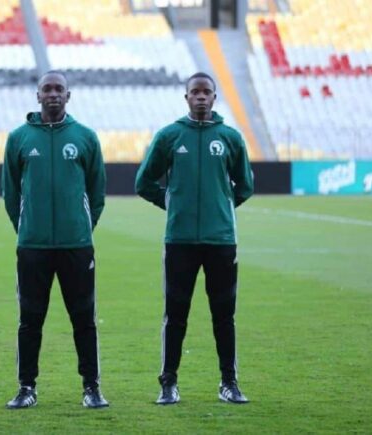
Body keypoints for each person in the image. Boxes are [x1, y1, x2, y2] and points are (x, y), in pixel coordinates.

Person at [135, 72, 254, 405]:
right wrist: (173, 205)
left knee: (224, 315)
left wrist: (221, 207)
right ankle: (168, 383)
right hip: (180, 241)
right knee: (175, 314)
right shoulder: (170, 136)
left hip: (221, 240)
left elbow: (244, 185)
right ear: (186, 97)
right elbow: (144, 183)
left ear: (214, 98)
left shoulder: (230, 138)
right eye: (195, 92)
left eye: (207, 92)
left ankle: (229, 383)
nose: (201, 97)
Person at [1, 70, 109, 409]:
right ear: (37, 95)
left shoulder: (86, 138)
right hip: (32, 247)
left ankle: (91, 387)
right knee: (30, 319)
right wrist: (27, 229)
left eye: (58, 89)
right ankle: (26, 387)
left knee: (83, 318)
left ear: (68, 95)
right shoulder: (19, 138)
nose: (52, 94)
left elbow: (97, 193)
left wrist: (80, 228)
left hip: (76, 246)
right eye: (46, 89)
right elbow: (11, 194)